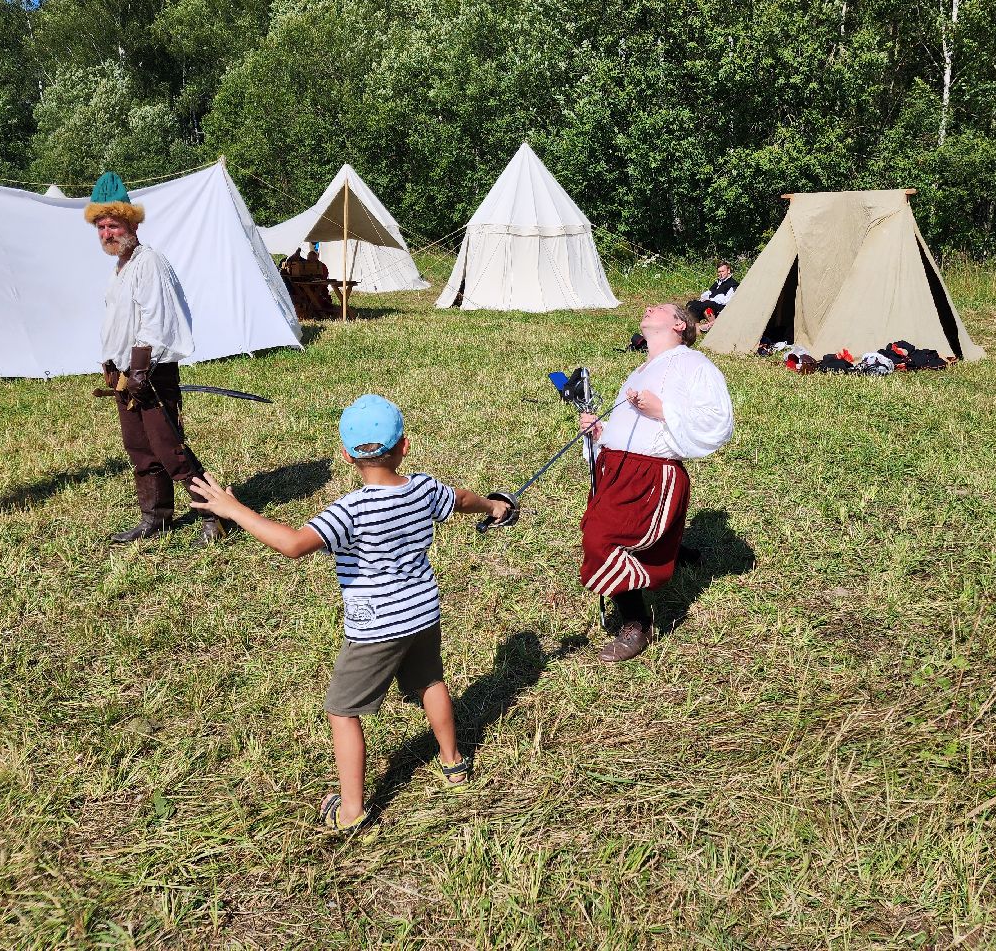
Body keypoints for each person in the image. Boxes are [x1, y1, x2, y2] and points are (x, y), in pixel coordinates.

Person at [186, 394, 513, 836]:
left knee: (343, 711)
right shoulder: (424, 488)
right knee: (429, 682)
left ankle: (351, 810)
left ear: (345, 455)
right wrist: (495, 508)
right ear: (405, 446)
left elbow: (293, 544)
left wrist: (233, 508)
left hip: (376, 627)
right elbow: (463, 498)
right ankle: (453, 765)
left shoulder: (349, 511)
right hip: (423, 613)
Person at [579, 303, 734, 662]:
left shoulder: (695, 364)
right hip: (615, 468)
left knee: (601, 539)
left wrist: (662, 410)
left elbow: (718, 420)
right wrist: (601, 432)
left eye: (660, 308)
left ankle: (637, 622)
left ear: (680, 324)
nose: (648, 307)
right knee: (601, 531)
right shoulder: (639, 371)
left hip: (651, 472)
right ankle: (673, 550)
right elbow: (629, 428)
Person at [89, 172, 224, 545]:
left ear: (131, 223)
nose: (106, 234)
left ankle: (214, 516)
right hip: (125, 376)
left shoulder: (149, 262)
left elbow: (157, 320)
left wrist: (139, 370)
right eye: (100, 227)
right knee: (141, 449)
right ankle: (156, 517)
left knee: (170, 448)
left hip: (150, 374)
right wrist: (114, 367)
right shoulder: (121, 267)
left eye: (112, 225)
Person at [686, 262, 738, 326]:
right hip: (711, 302)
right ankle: (697, 330)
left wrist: (711, 299)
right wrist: (704, 298)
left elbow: (727, 301)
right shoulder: (719, 282)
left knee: (704, 305)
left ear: (728, 270)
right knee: (691, 304)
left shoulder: (733, 284)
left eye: (722, 271)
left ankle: (715, 326)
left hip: (722, 307)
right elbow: (710, 291)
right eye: (719, 272)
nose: (720, 274)